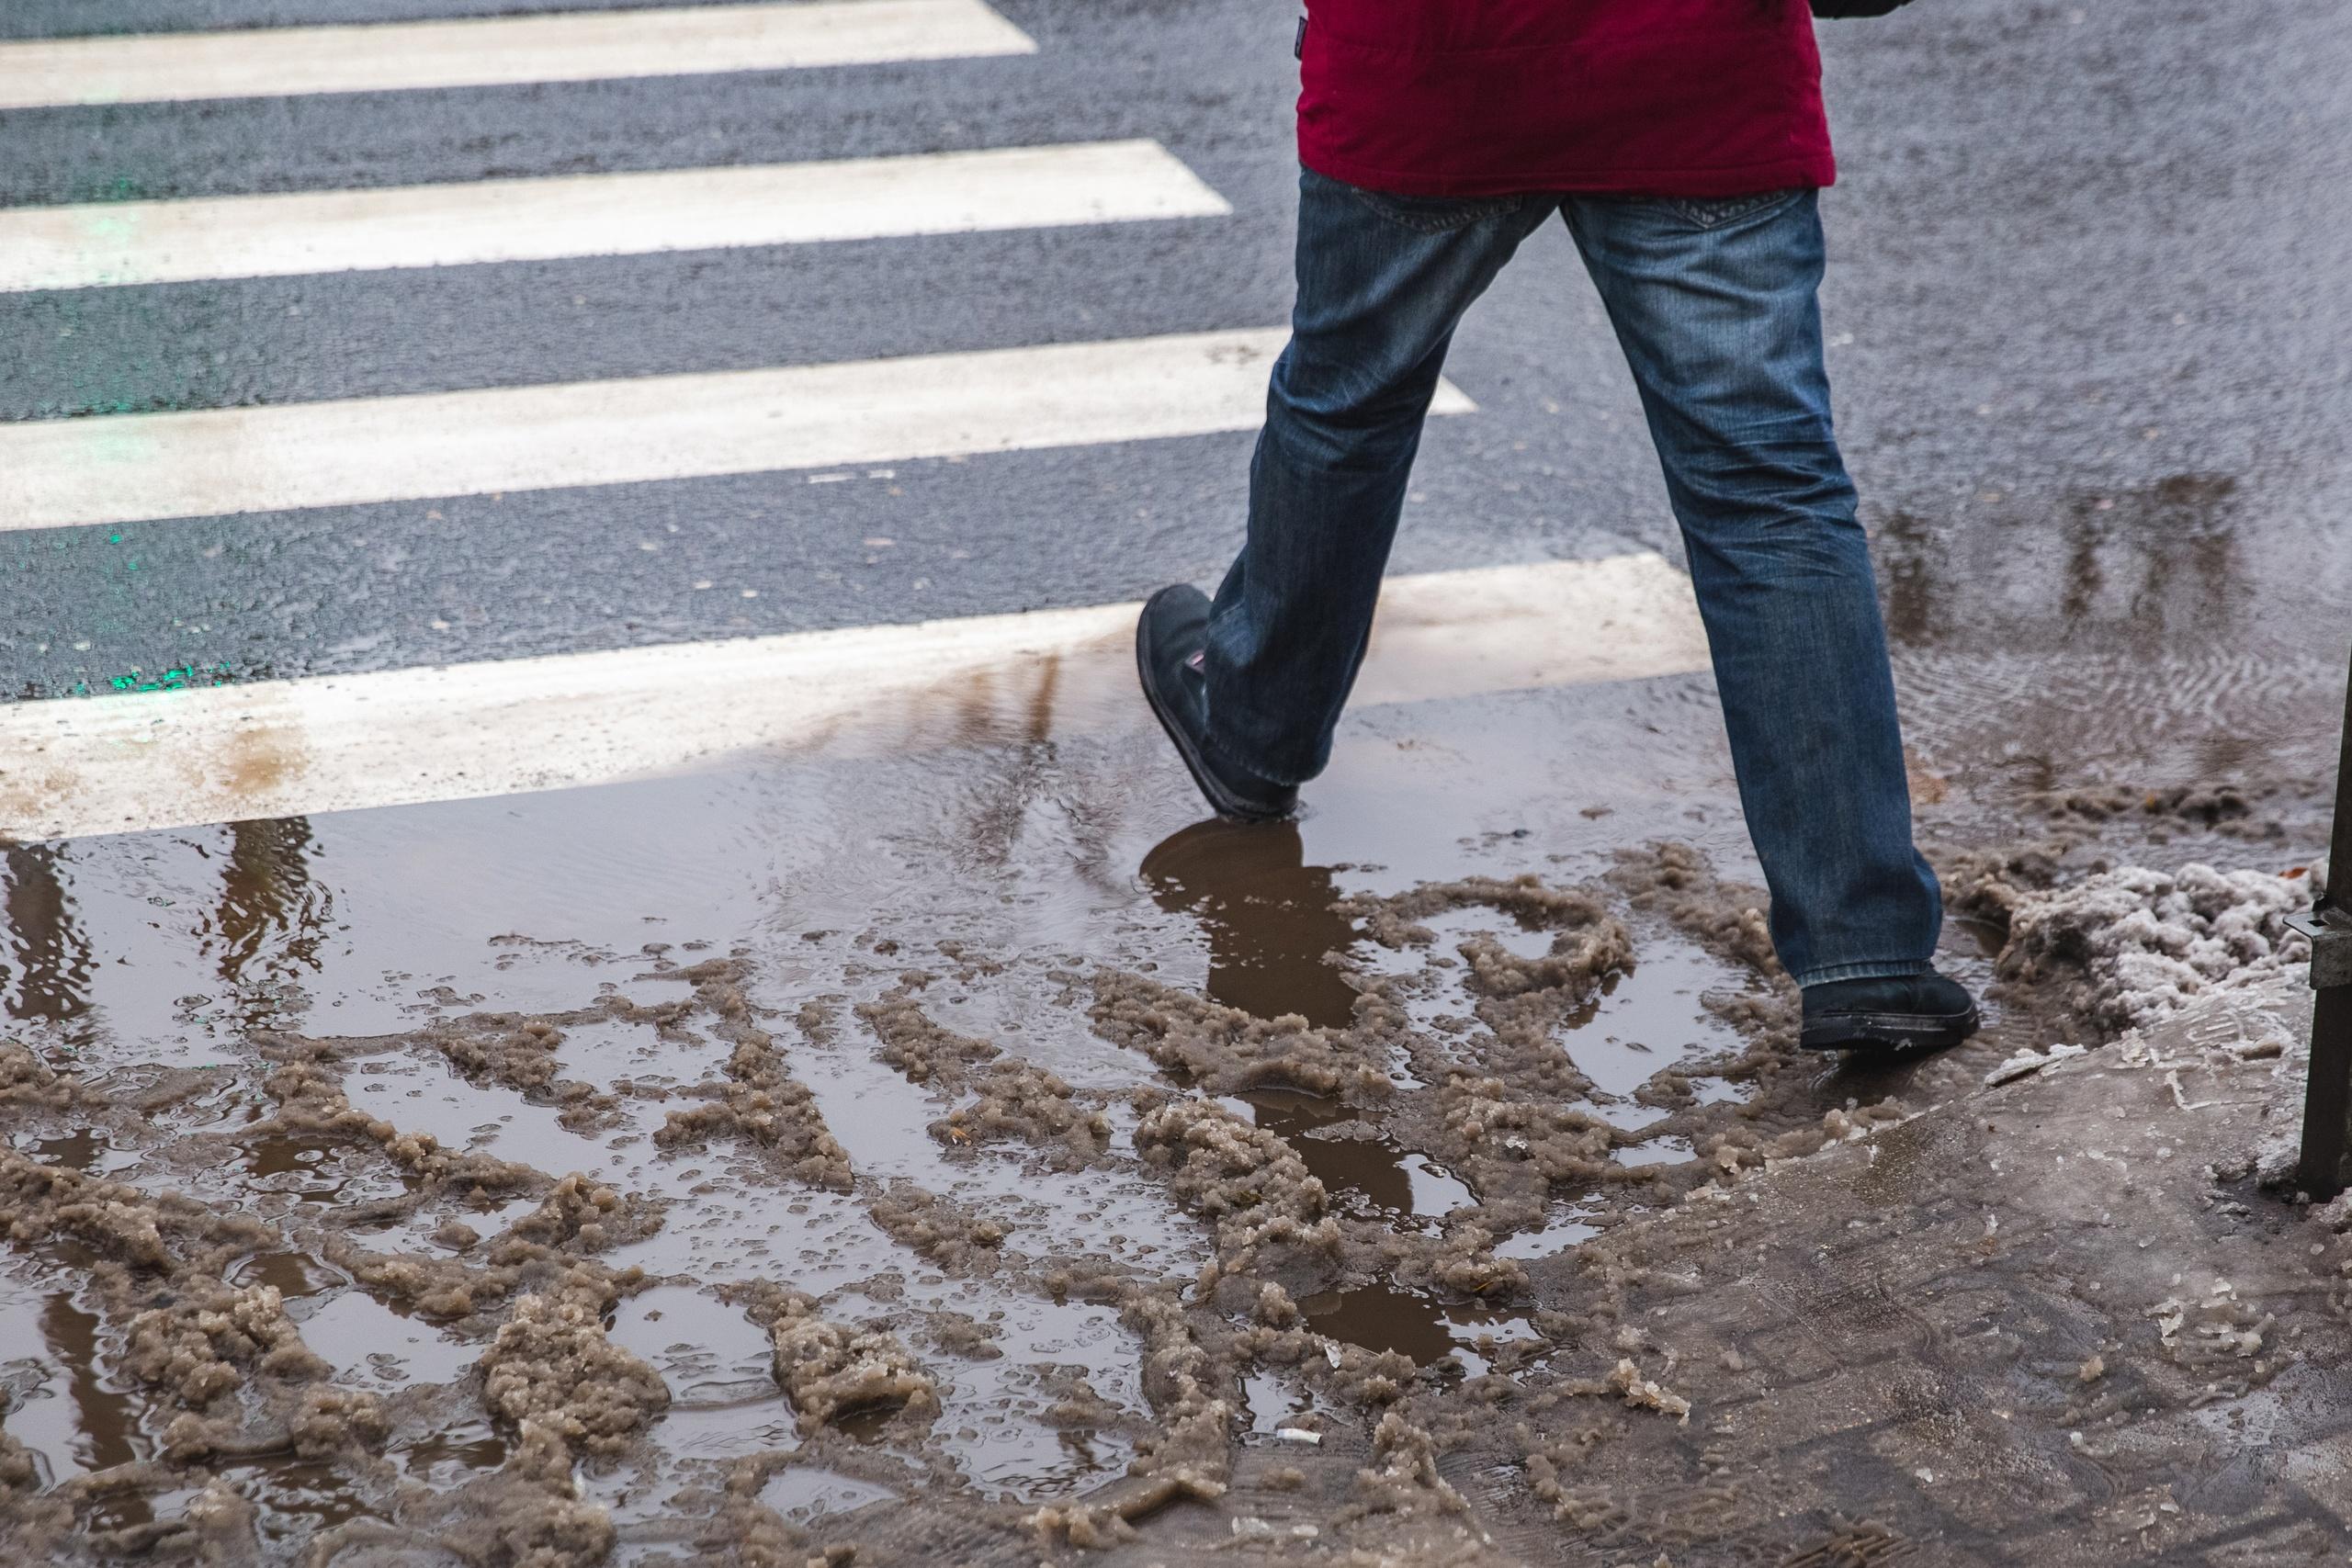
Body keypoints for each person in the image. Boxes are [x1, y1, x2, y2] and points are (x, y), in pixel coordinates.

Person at [1135, 0, 1979, 1055]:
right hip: (1693, 59)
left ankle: (1251, 728)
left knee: (1346, 409)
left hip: (1427, 58)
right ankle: (1866, 954)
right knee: (1766, 491)